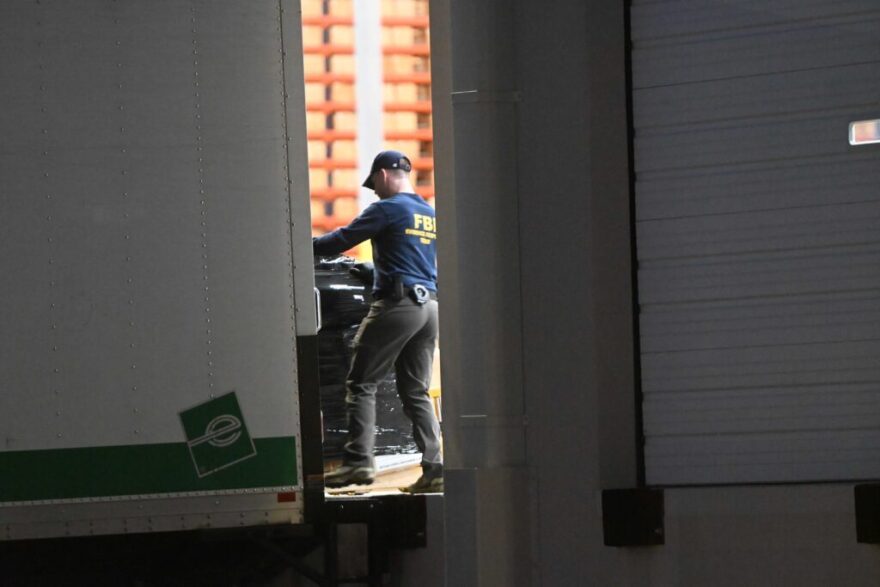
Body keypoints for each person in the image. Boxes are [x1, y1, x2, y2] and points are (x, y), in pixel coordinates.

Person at [313, 150, 443, 494]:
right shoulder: (429, 214)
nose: (374, 191)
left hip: (397, 306)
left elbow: (340, 240)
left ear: (384, 174)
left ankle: (358, 463)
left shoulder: (387, 208)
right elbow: (418, 263)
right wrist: (374, 271)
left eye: (374, 184)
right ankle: (435, 468)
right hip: (429, 308)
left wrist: (302, 246)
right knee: (416, 391)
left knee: (361, 382)